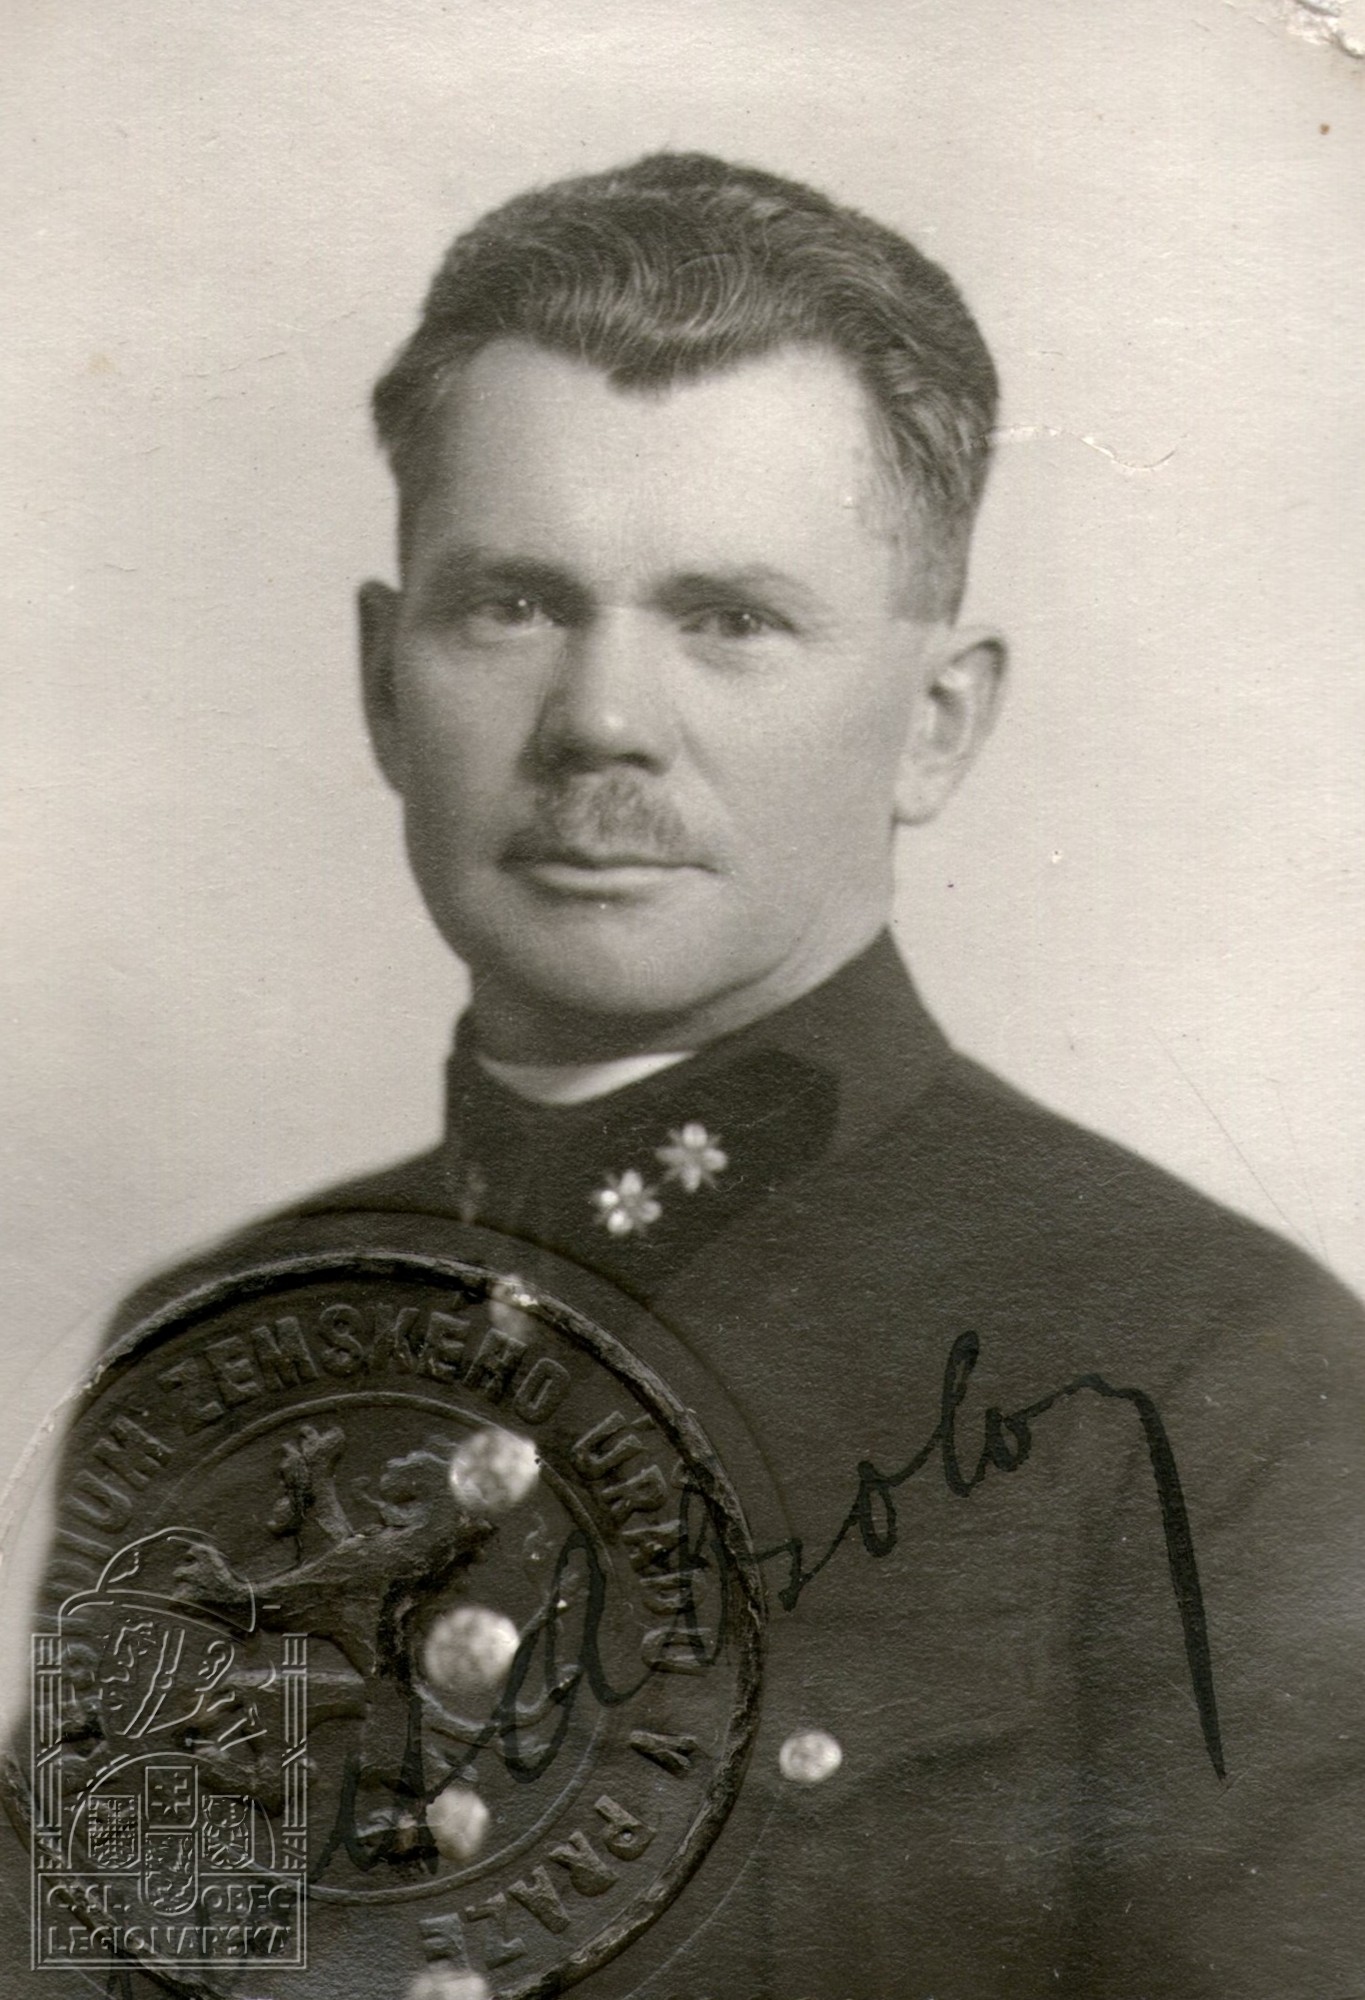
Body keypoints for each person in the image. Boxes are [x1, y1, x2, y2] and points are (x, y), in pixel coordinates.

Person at [25, 153, 1365, 1997]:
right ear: (381, 680)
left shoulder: (1217, 1387)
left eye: (728, 618)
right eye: (512, 604)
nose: (598, 721)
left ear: (936, 723)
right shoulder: (212, 1360)